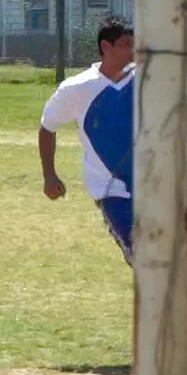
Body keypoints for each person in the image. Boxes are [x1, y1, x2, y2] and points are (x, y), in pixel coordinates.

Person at [38, 15, 138, 265]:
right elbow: (47, 127)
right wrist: (49, 175)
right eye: (127, 45)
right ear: (106, 47)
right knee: (142, 253)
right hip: (109, 186)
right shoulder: (77, 88)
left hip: (153, 183)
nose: (133, 51)